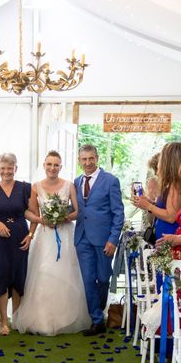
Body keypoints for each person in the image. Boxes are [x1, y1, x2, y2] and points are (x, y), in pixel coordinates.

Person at [13, 151, 91, 335]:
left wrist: (64, 217)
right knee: (43, 273)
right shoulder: (36, 187)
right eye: (49, 164)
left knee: (67, 273)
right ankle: (42, 318)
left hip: (65, 235)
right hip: (45, 235)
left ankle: (67, 317)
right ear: (44, 165)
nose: (52, 168)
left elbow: (78, 212)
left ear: (61, 167)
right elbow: (29, 213)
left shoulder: (69, 185)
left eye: (56, 165)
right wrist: (42, 221)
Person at [0, 153, 34, 336]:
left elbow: (33, 213)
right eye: (3, 168)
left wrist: (31, 234)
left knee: (19, 275)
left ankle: (16, 317)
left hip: (20, 235)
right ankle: (3, 319)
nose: (6, 171)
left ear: (16, 169)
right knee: (1, 275)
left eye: (10, 168)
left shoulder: (26, 188)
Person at [74, 144, 124, 336]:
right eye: (84, 159)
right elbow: (76, 209)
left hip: (104, 240)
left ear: (97, 158)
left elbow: (118, 213)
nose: (87, 163)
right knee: (88, 280)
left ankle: (100, 307)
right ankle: (96, 320)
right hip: (82, 238)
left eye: (91, 158)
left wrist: (113, 239)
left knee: (103, 279)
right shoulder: (76, 181)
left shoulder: (110, 181)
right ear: (79, 160)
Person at [132, 142, 181, 242]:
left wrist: (148, 206)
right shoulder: (171, 183)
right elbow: (167, 207)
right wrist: (150, 202)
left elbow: (172, 216)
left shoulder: (176, 184)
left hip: (170, 236)